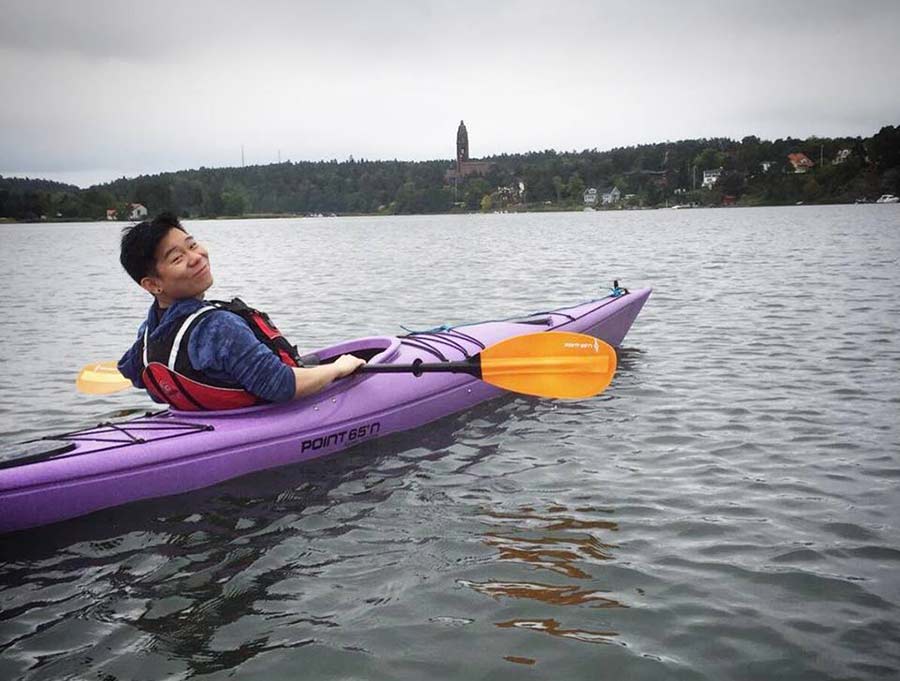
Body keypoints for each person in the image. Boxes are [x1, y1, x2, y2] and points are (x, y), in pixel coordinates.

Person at [117, 212, 365, 410]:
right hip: (256, 420)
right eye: (177, 258)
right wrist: (338, 369)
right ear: (152, 284)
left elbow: (135, 373)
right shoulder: (220, 327)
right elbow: (281, 385)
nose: (196, 257)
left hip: (205, 418)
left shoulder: (148, 335)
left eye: (192, 245)